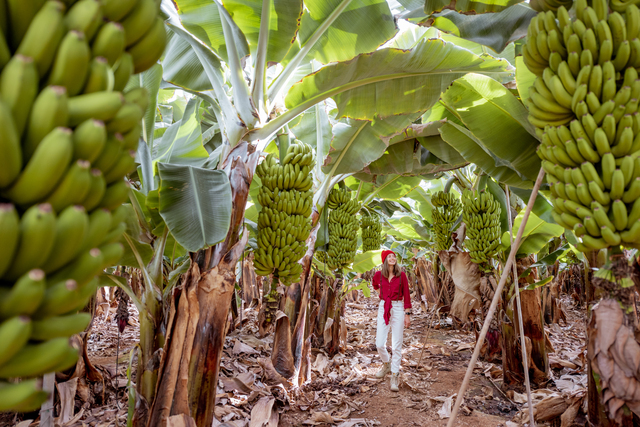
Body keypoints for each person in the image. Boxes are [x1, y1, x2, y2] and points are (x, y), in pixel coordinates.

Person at [371, 250, 412, 392]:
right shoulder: (378, 275)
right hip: (384, 306)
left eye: (394, 256)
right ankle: (386, 363)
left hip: (399, 307)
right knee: (379, 343)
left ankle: (395, 375)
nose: (392, 258)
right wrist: (381, 294)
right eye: (389, 256)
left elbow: (407, 295)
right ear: (384, 260)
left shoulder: (402, 276)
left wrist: (407, 314)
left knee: (396, 345)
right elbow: (374, 284)